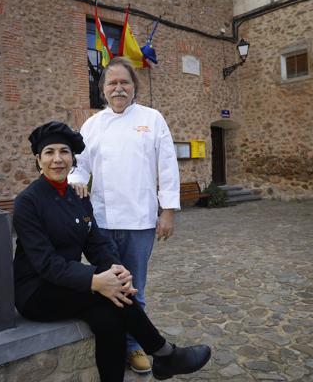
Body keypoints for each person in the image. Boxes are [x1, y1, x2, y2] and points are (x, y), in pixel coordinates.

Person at [13, 121, 210, 382]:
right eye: (49, 152)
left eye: (64, 152)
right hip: (37, 291)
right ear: (39, 160)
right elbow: (45, 263)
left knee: (110, 318)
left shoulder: (79, 197)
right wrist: (95, 281)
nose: (57, 159)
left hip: (69, 286)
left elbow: (96, 243)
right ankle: (164, 353)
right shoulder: (28, 201)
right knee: (112, 296)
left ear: (73, 159)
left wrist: (117, 268)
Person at [68, 56, 180, 373]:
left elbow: (167, 167)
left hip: (141, 221)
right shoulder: (92, 125)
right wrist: (76, 184)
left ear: (134, 87)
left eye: (124, 82)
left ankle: (132, 347)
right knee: (110, 288)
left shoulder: (152, 119)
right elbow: (79, 167)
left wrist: (168, 210)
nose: (119, 88)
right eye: (112, 83)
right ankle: (114, 344)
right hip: (102, 225)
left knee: (135, 289)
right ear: (103, 90)